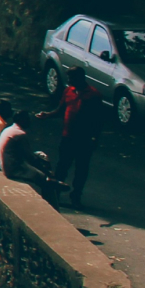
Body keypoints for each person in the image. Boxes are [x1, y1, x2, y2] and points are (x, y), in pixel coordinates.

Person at [38, 68, 105, 207]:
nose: (70, 82)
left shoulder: (93, 95)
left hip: (84, 139)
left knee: (81, 170)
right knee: (62, 167)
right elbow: (61, 110)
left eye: (72, 79)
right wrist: (48, 115)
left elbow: (98, 120)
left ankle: (76, 196)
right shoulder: (68, 91)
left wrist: (94, 138)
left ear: (80, 78)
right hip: (68, 137)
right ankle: (56, 195)